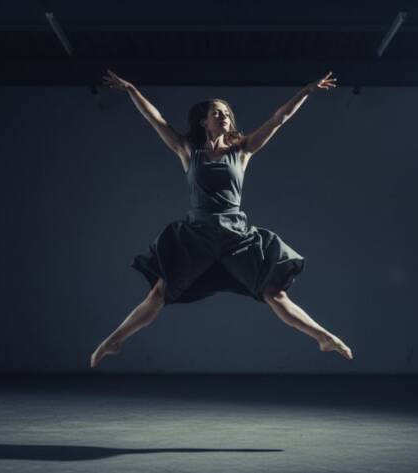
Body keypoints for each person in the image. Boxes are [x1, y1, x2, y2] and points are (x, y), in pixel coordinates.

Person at [90, 69, 353, 368]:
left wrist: (306, 91)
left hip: (234, 235)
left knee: (274, 294)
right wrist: (131, 90)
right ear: (204, 120)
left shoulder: (242, 150)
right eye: (217, 112)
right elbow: (156, 120)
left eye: (227, 112)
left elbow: (279, 118)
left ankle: (322, 337)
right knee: (160, 292)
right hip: (197, 235)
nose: (224, 116)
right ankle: (114, 340)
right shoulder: (188, 150)